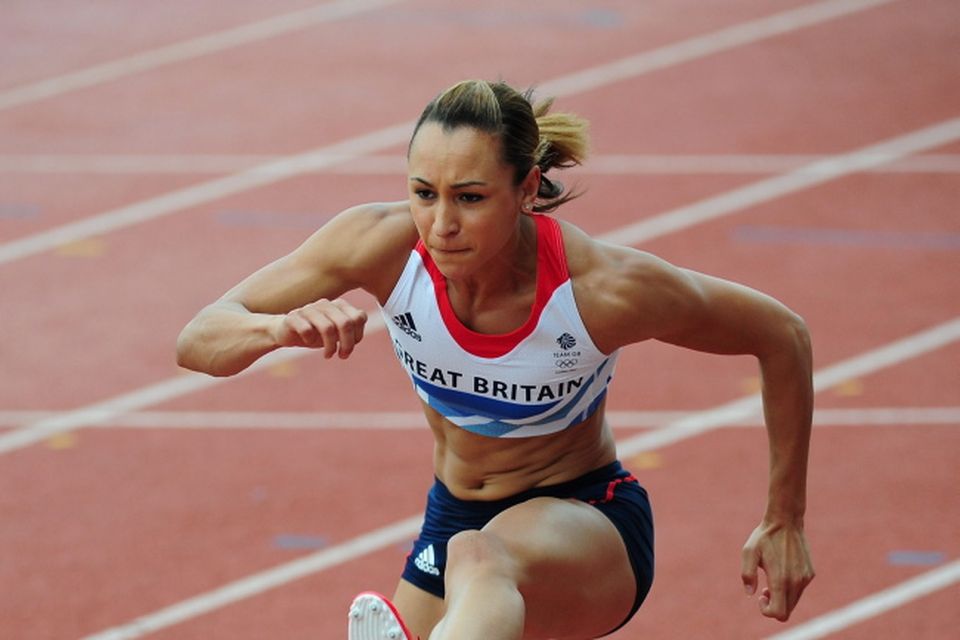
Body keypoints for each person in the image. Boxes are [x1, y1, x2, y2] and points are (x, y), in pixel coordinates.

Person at [176, 79, 815, 639]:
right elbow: (199, 340)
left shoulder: (601, 290)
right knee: (470, 554)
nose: (441, 224)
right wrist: (276, 328)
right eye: (424, 193)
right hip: (451, 519)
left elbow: (781, 334)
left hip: (588, 519)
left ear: (527, 189)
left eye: (471, 198)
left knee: (482, 560)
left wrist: (783, 518)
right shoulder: (378, 245)